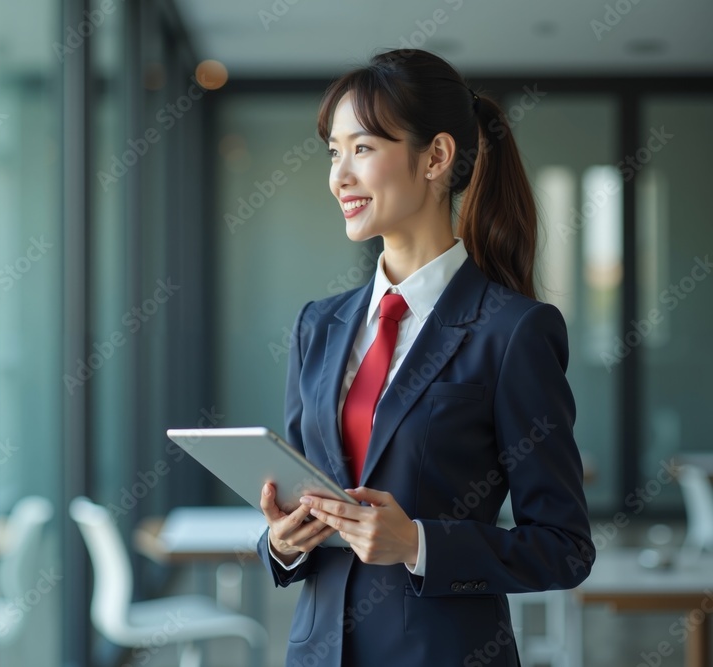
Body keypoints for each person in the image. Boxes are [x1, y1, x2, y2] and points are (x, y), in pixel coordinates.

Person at [255, 48, 595, 666]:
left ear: (435, 157)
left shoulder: (514, 331)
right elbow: (303, 504)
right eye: (334, 152)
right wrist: (283, 542)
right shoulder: (319, 325)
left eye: (362, 149)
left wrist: (417, 543)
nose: (339, 176)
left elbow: (565, 547)